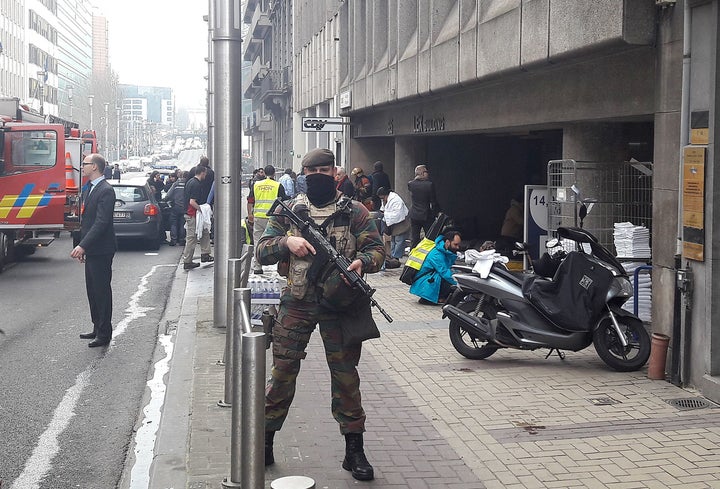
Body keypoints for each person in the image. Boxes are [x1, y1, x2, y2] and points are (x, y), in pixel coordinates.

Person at [257, 148, 384, 481]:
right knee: (282, 372)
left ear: (335, 172)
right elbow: (262, 249)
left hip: (339, 305)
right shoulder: (289, 210)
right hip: (297, 302)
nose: (318, 176)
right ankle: (265, 441)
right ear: (303, 173)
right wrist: (287, 243)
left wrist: (362, 262)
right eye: (311, 171)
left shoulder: (354, 211)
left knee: (345, 376)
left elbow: (376, 249)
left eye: (324, 170)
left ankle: (354, 451)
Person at [70, 153, 117, 348]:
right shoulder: (90, 188)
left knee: (101, 291)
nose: (82, 166)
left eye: (85, 164)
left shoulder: (105, 190)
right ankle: (97, 327)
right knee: (92, 290)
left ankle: (105, 333)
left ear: (95, 167)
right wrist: (82, 247)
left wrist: (83, 245)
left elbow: (101, 222)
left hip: (102, 249)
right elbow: (86, 223)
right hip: (92, 249)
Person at [247, 164, 287, 274]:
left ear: (264, 173)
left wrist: (250, 214)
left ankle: (257, 267)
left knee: (257, 241)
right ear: (274, 173)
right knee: (276, 242)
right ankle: (277, 266)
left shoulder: (256, 185)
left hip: (259, 216)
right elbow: (284, 203)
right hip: (273, 219)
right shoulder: (278, 185)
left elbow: (250, 200)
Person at [409, 231, 461, 305]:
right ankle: (434, 297)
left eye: (458, 245)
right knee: (446, 277)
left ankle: (440, 297)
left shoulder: (442, 250)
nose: (457, 247)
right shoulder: (437, 254)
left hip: (426, 281)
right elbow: (445, 272)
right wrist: (460, 283)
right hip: (424, 283)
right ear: (447, 242)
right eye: (455, 244)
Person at [181, 165, 213, 270]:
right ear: (202, 173)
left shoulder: (190, 181)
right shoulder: (196, 184)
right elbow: (192, 202)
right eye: (205, 173)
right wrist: (201, 210)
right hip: (192, 214)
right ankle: (187, 261)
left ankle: (205, 253)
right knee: (192, 238)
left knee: (205, 232)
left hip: (192, 214)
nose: (206, 175)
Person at [407, 164, 440, 248]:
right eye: (426, 171)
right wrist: (436, 213)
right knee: (429, 238)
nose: (427, 173)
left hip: (414, 214)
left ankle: (413, 256)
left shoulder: (410, 184)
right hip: (426, 214)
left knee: (415, 238)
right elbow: (433, 202)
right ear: (422, 173)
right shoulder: (429, 185)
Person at [377, 186, 410, 266]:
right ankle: (392, 256)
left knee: (399, 240)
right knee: (393, 240)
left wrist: (386, 215)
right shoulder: (385, 200)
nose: (382, 200)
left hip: (401, 222)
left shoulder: (396, 200)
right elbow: (384, 209)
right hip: (392, 223)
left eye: (383, 198)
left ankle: (396, 257)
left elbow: (398, 214)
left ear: (386, 195)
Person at [164, 171, 188, 246]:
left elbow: (169, 195)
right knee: (182, 224)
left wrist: (165, 201)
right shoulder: (187, 184)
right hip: (184, 207)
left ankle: (173, 240)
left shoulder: (176, 184)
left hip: (175, 207)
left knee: (173, 223)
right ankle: (181, 240)